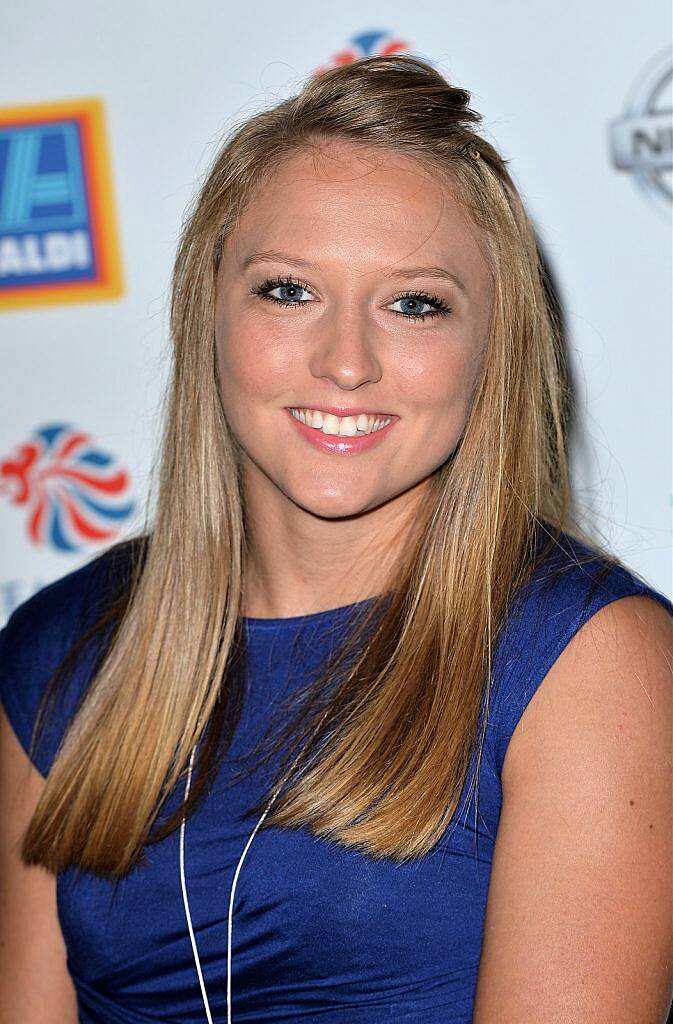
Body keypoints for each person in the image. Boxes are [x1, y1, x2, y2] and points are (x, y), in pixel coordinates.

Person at [1, 54, 671, 1024]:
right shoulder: (60, 653)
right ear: (209, 312)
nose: (346, 361)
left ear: (495, 346)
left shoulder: (592, 662)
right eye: (287, 290)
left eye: (414, 304)